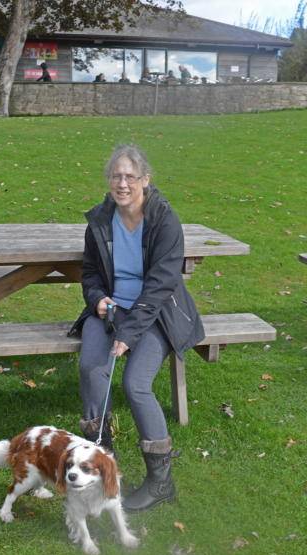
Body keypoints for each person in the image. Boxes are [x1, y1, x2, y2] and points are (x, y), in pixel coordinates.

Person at [69, 144, 205, 512]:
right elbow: (91, 272)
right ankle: (102, 467)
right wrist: (97, 297)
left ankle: (161, 483)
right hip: (111, 310)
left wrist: (128, 335)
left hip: (156, 315)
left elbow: (162, 285)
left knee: (136, 384)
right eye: (116, 176)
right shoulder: (100, 219)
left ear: (146, 180)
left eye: (130, 176)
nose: (123, 183)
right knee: (91, 370)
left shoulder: (164, 220)